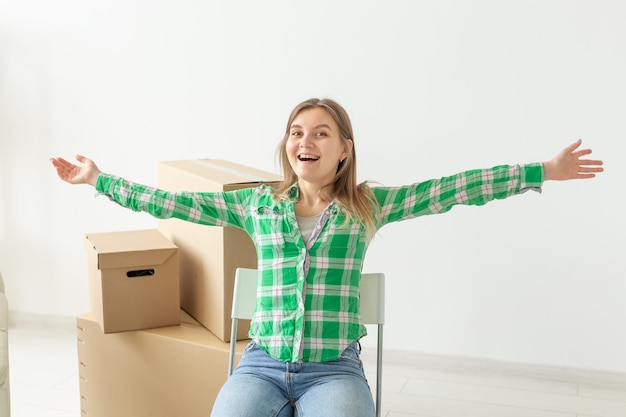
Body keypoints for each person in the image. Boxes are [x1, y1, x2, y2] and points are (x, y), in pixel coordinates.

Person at [50, 97, 604, 417]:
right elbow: (174, 202)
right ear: (287, 147)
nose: (304, 141)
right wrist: (101, 181)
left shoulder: (368, 206)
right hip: (262, 364)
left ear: (344, 150)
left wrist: (540, 172)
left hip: (332, 370)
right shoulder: (258, 205)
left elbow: (454, 188)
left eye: (320, 133)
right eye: (296, 132)